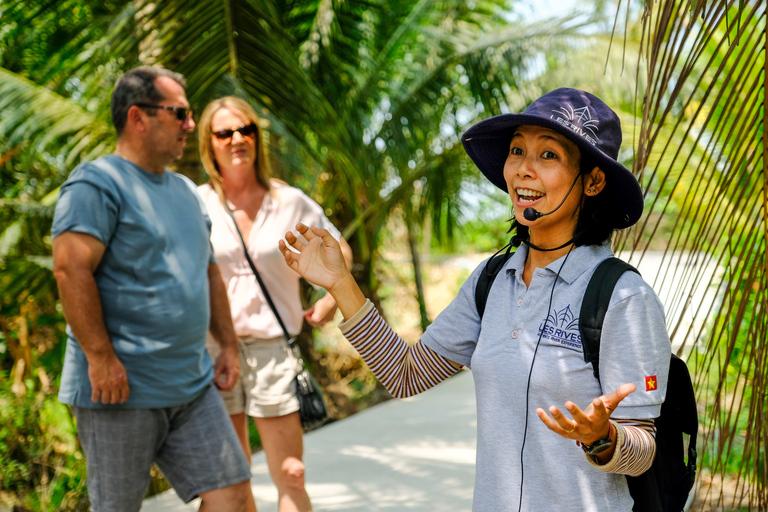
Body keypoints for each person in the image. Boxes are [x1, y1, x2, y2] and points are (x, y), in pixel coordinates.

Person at [279, 88, 672, 511]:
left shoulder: (623, 297)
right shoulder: (491, 282)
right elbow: (406, 374)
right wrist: (341, 284)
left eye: (548, 156)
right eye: (517, 150)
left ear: (593, 181)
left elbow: (642, 450)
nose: (523, 169)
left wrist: (603, 438)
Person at [51, 67, 255, 512]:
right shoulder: (97, 184)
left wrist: (228, 345)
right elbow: (70, 269)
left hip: (191, 382)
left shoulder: (185, 191)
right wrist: (101, 357)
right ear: (138, 118)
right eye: (179, 113)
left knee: (234, 497)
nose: (189, 124)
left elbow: (209, 272)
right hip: (121, 390)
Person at [196, 96, 353, 512]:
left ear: (258, 138)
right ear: (208, 143)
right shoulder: (196, 203)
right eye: (224, 132)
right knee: (229, 481)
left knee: (291, 473)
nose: (236, 139)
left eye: (246, 129)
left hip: (272, 350)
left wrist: (330, 301)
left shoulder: (290, 202)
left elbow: (339, 249)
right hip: (212, 352)